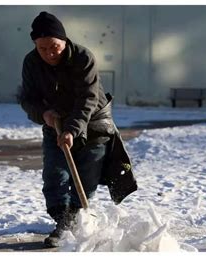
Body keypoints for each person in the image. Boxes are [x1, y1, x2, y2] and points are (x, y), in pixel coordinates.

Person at [19, 11, 137, 247]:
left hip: (94, 126)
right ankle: (63, 223)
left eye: (54, 47)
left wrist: (71, 130)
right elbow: (27, 99)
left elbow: (87, 99)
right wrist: (44, 115)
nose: (49, 53)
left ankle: (74, 220)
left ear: (64, 41)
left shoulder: (83, 57)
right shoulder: (31, 62)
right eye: (42, 48)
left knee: (85, 179)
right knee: (55, 175)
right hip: (55, 123)